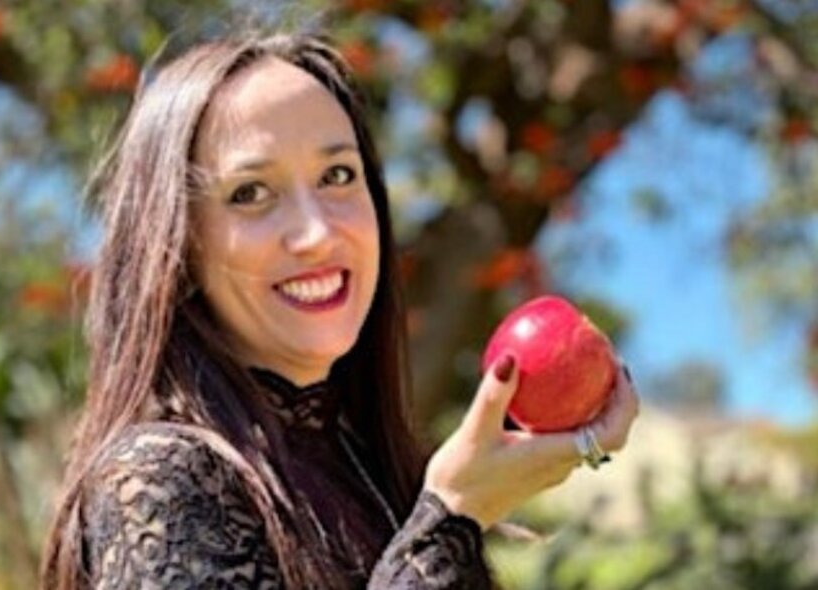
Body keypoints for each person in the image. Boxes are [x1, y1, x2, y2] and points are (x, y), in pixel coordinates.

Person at [40, 27, 639, 590]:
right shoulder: (157, 481)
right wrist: (453, 517)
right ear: (180, 243)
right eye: (251, 193)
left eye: (337, 175)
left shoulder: (367, 464)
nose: (317, 232)